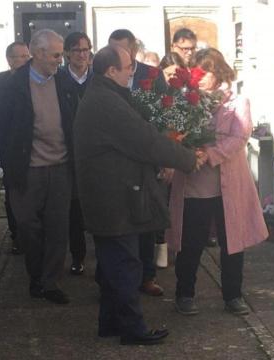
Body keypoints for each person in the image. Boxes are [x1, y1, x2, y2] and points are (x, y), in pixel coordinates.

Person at [73, 44, 201, 345]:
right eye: (128, 66)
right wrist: (186, 158)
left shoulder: (103, 95)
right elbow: (145, 141)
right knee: (125, 266)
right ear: (111, 71)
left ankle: (110, 323)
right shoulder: (106, 102)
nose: (133, 71)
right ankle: (132, 329)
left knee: (111, 265)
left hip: (108, 196)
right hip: (114, 200)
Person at [166, 48, 268, 316]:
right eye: (197, 71)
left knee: (232, 242)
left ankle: (233, 295)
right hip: (195, 184)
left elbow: (239, 137)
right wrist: (184, 148)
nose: (200, 77)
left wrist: (207, 154)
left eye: (206, 71)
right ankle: (184, 294)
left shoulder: (237, 102)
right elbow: (175, 131)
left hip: (229, 185)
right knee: (191, 242)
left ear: (219, 72)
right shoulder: (187, 99)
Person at [1, 29, 77, 305]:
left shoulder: (64, 82)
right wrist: (12, 155)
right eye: (56, 55)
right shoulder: (13, 85)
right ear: (39, 53)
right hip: (28, 169)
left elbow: (73, 119)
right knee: (28, 227)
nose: (61, 59)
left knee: (58, 228)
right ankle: (36, 276)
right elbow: (0, 123)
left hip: (60, 167)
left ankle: (50, 282)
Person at [108, 29, 167, 296]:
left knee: (147, 220)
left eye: (121, 49)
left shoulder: (151, 75)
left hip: (147, 158)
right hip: (118, 161)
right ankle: (117, 278)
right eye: (112, 49)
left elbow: (167, 113)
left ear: (132, 50)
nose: (116, 55)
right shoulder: (106, 74)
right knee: (119, 222)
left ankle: (147, 276)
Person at [0, 41, 30, 255]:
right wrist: (8, 142)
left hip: (36, 149)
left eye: (27, 55)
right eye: (20, 56)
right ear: (10, 60)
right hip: (10, 150)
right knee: (14, 192)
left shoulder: (36, 81)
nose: (25, 60)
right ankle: (17, 235)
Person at [57, 31, 93, 275]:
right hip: (68, 153)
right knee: (74, 208)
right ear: (67, 53)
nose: (83, 54)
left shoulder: (99, 79)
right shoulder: (58, 81)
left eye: (86, 49)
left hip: (96, 154)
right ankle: (78, 256)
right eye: (78, 50)